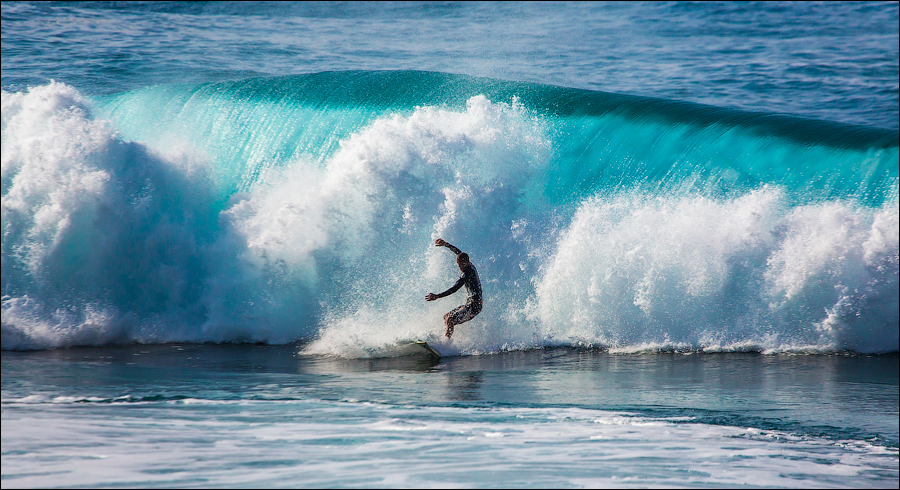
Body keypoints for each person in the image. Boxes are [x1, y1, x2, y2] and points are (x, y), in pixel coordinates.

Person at [425, 238, 482, 339]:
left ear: (467, 262)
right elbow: (459, 252)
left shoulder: (468, 273)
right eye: (459, 265)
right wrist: (446, 244)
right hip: (470, 304)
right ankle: (445, 338)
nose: (460, 267)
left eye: (462, 265)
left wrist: (437, 296)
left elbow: (454, 289)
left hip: (474, 306)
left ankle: (446, 343)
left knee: (450, 319)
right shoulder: (469, 264)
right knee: (446, 317)